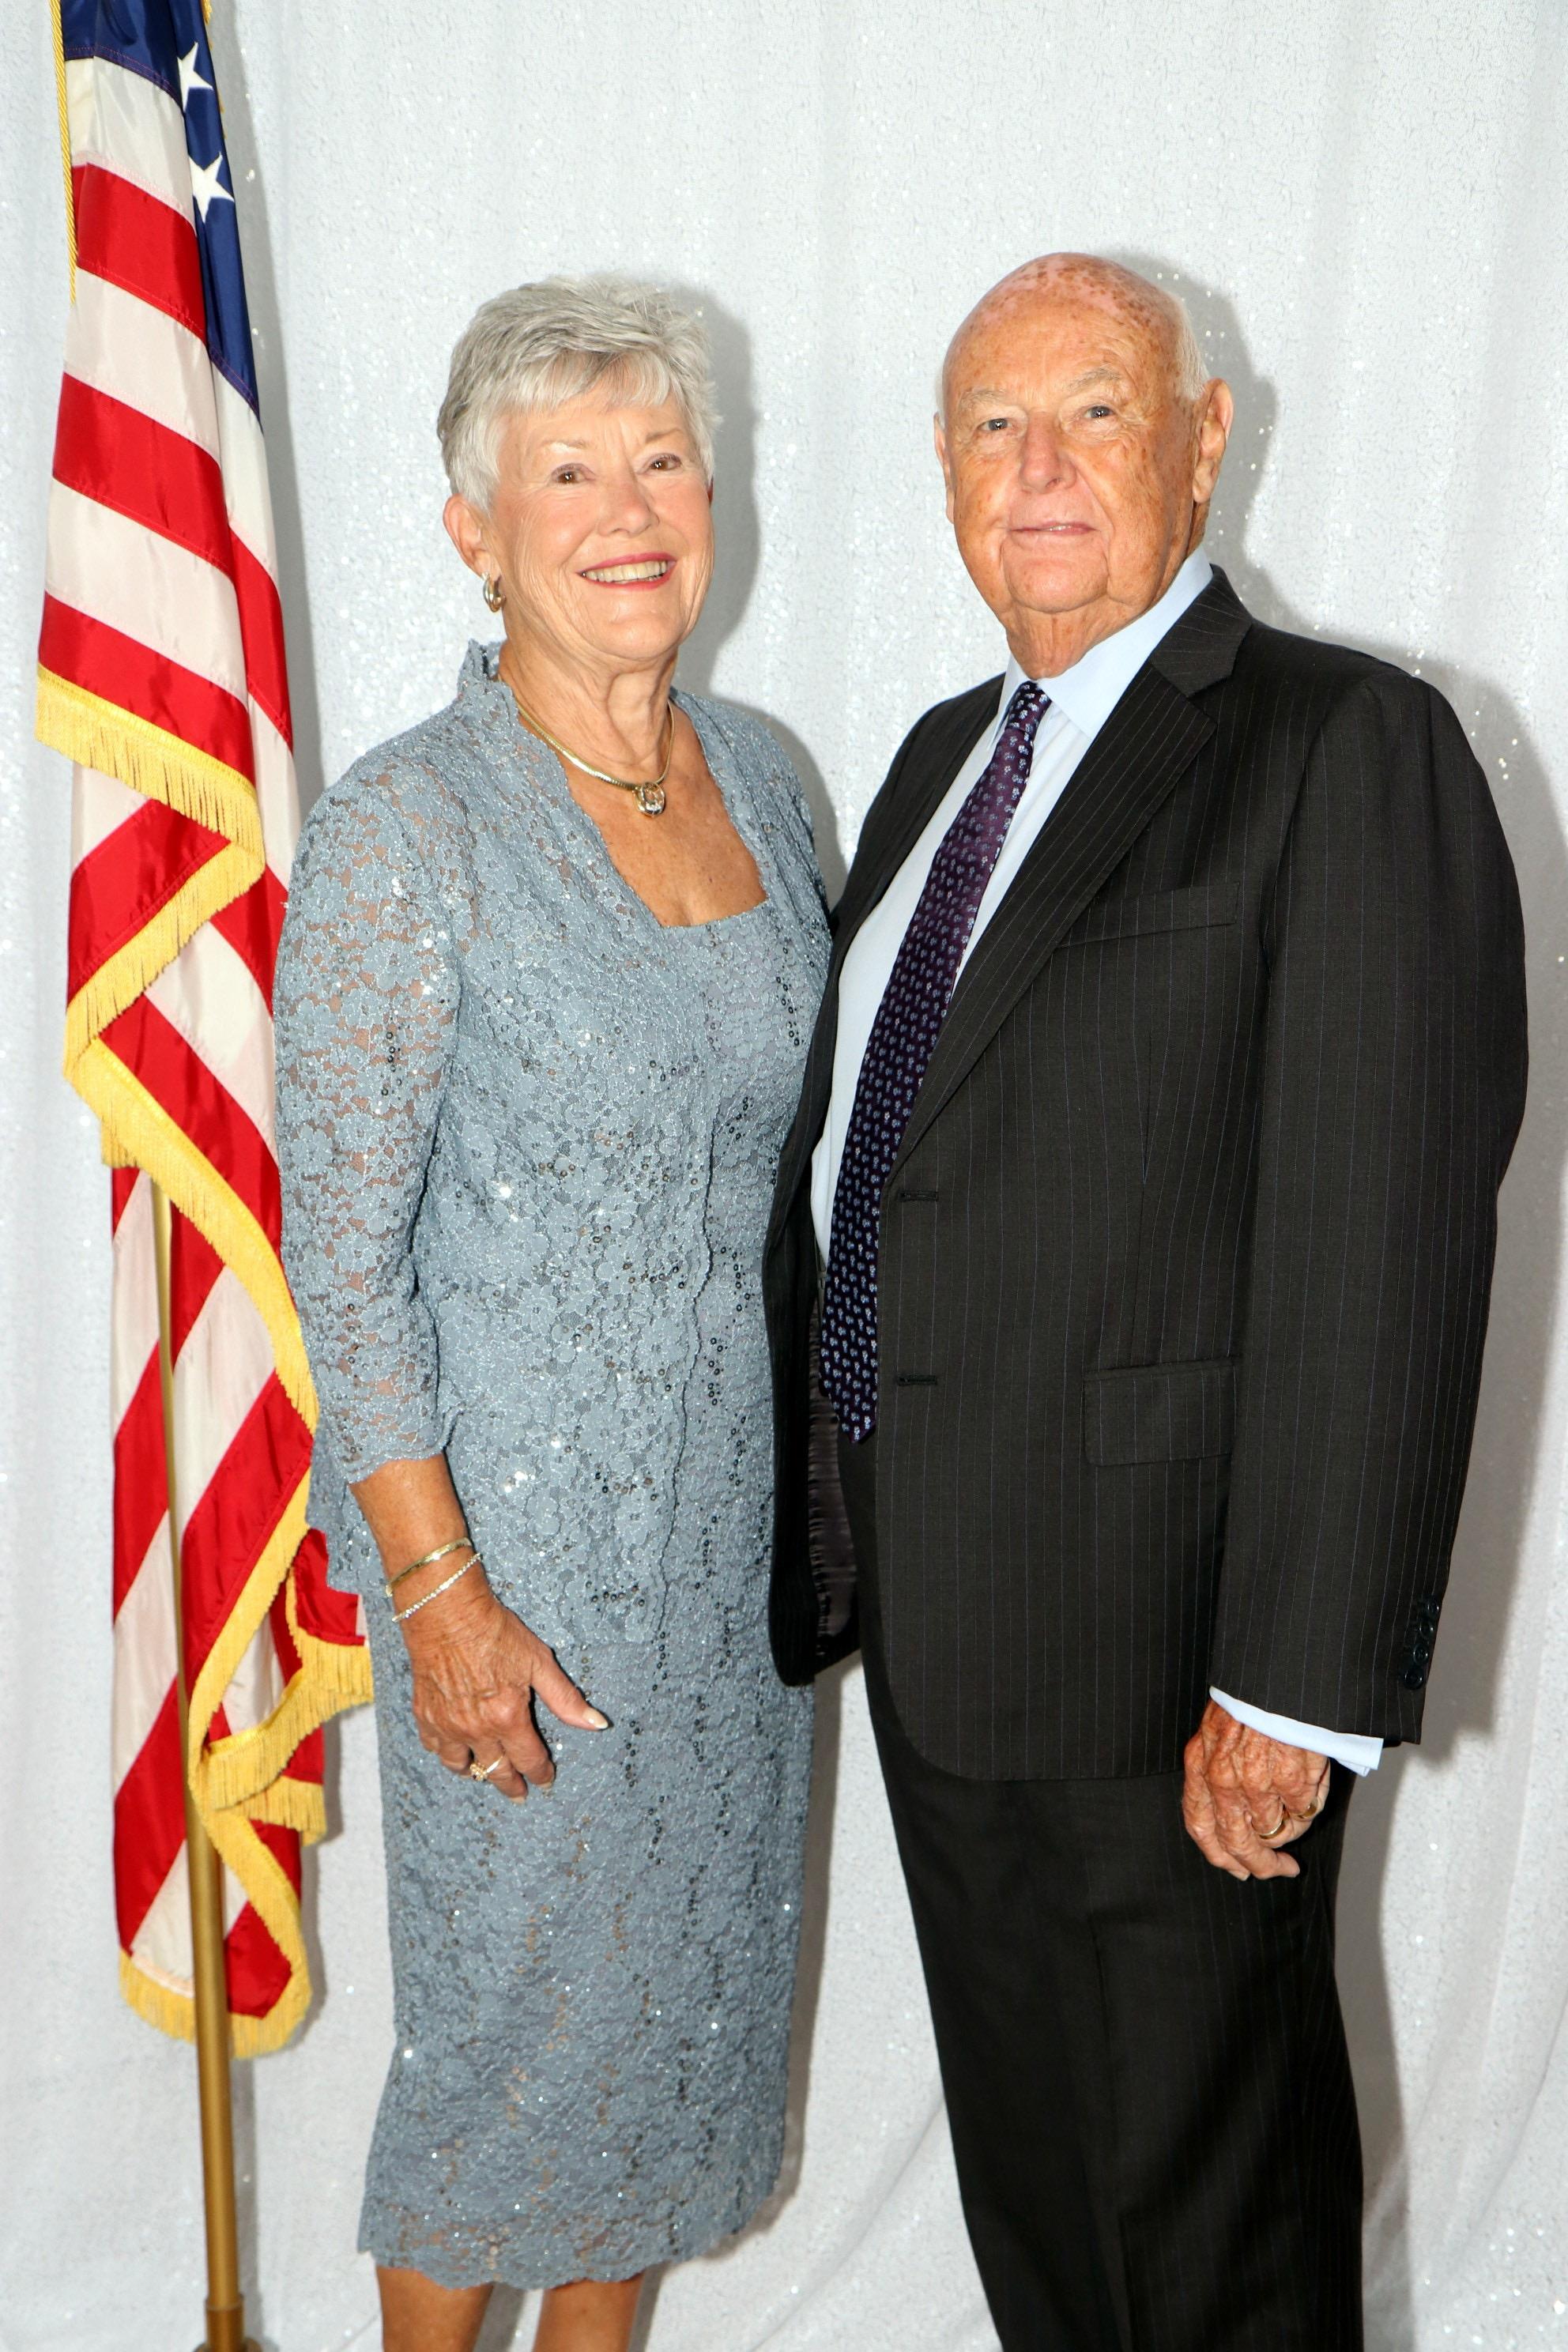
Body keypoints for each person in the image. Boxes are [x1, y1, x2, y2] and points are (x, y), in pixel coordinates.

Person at [764, 253, 1527, 2349]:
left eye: (1095, 412)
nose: (1040, 471)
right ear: (940, 473)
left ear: (1203, 439)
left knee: (1213, 2243)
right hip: (943, 1642)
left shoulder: (1343, 747)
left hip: (1176, 1674)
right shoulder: (937, 766)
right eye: (993, 426)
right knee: (1050, 2210)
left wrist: (1294, 1687)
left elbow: (1384, 1236)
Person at [275, 275, 829, 2352]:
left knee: (675, 2048)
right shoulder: (411, 830)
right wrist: (436, 1594)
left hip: (729, 1577)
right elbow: (345, 1251)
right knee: (508, 2069)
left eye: (662, 460)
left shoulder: (771, 787)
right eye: (568, 471)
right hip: (510, 1578)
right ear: (476, 531)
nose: (630, 511)